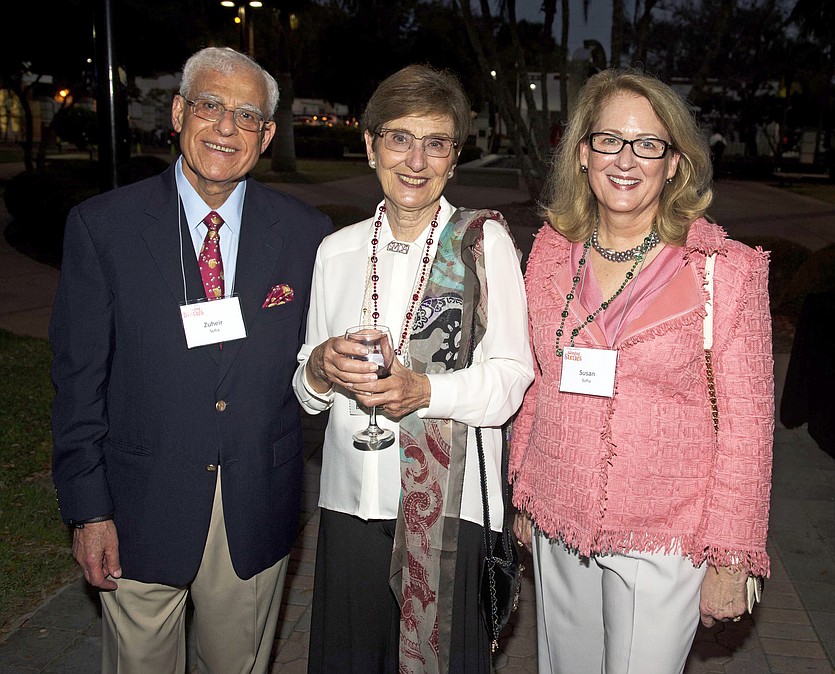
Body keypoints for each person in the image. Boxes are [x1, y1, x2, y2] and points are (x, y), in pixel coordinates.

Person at [50, 47, 332, 674]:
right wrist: (89, 510)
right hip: (139, 506)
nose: (226, 127)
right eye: (210, 106)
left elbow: (319, 359)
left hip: (254, 505)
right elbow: (78, 383)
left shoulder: (307, 235)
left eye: (247, 115)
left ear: (265, 135)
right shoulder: (104, 228)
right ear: (179, 114)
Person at [510, 69, 774, 674]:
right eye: (609, 140)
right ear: (583, 152)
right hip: (559, 517)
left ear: (675, 162)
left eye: (648, 144)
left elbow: (748, 431)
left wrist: (732, 557)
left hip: (665, 533)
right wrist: (524, 487)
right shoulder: (550, 253)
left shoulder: (724, 271)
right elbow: (538, 382)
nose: (626, 160)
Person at [294, 64, 534, 674]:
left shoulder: (481, 244)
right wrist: (319, 369)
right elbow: (307, 391)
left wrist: (424, 391)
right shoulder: (336, 251)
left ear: (454, 158)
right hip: (351, 503)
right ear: (371, 145)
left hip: (451, 509)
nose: (416, 160)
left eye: (436, 143)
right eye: (399, 138)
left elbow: (512, 377)